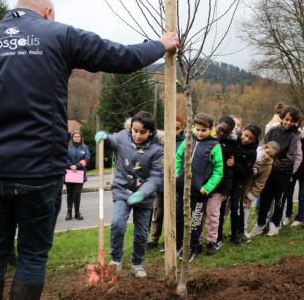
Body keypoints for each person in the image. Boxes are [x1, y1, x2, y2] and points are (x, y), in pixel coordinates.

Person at [0, 0, 179, 300]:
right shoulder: (59, 35)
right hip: (40, 169)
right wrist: (160, 45)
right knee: (32, 255)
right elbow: (121, 57)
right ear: (48, 12)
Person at [95, 111, 164, 277]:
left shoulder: (157, 150)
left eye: (143, 132)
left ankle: (137, 263)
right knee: (118, 224)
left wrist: (142, 193)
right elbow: (111, 141)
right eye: (135, 131)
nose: (138, 135)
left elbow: (156, 177)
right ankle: (116, 259)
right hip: (122, 190)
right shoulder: (123, 137)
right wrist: (104, 136)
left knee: (141, 233)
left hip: (144, 197)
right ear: (130, 128)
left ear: (150, 133)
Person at [175, 112, 223, 262]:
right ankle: (178, 245)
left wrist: (207, 187)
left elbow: (218, 170)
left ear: (210, 129)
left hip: (199, 191)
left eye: (204, 130)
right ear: (193, 128)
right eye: (198, 129)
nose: (200, 133)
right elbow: (178, 157)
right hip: (181, 187)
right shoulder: (188, 140)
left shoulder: (214, 146)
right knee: (179, 217)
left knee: (195, 221)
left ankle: (192, 247)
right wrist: (177, 175)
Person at [248, 106, 300, 237]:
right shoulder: (272, 130)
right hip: (268, 171)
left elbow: (291, 156)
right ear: (283, 118)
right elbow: (263, 144)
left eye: (291, 121)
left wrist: (276, 165)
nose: (288, 123)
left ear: (295, 122)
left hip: (282, 173)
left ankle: (275, 223)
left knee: (279, 199)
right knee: (265, 198)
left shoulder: (293, 137)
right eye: (287, 119)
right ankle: (260, 224)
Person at [146, 113, 185, 251]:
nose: (172, 131)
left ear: (181, 129)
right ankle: (153, 239)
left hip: (175, 184)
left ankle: (170, 239)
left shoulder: (184, 143)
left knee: (173, 214)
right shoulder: (161, 141)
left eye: (176, 128)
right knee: (157, 212)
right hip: (161, 183)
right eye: (170, 128)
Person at [202, 116, 235, 255]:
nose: (221, 133)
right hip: (202, 185)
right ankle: (195, 242)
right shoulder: (204, 138)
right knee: (199, 215)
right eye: (220, 129)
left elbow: (228, 170)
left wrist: (226, 189)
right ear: (216, 125)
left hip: (218, 187)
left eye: (225, 132)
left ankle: (212, 242)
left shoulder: (228, 145)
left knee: (214, 215)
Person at [229, 122, 260, 245]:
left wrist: (235, 164)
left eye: (250, 138)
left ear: (255, 139)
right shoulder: (234, 139)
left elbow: (248, 171)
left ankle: (237, 234)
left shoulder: (253, 152)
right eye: (245, 135)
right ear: (243, 130)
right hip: (226, 178)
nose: (246, 139)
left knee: (237, 207)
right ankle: (218, 236)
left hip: (239, 181)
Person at [243, 141, 280, 238]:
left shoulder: (268, 166)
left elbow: (260, 183)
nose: (267, 156)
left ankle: (243, 229)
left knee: (245, 207)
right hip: (238, 183)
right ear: (263, 148)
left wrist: (251, 196)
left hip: (248, 188)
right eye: (267, 152)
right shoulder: (253, 153)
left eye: (271, 156)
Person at [65, 130, 90, 221]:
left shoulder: (84, 148)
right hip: (69, 174)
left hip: (80, 174)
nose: (77, 138)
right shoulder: (68, 147)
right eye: (75, 137)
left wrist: (77, 165)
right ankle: (69, 212)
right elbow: (64, 158)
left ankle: (77, 212)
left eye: (78, 137)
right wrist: (70, 166)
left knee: (77, 194)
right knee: (70, 194)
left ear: (81, 138)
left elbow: (87, 159)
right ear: (72, 138)